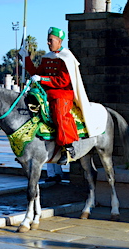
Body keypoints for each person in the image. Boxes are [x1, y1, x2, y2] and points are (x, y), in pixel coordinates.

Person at [19, 27, 92, 164]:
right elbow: (36, 72)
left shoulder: (67, 58)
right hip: (47, 92)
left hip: (62, 93)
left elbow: (63, 81)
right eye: (47, 40)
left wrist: (43, 79)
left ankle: (68, 147)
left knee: (59, 114)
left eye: (50, 40)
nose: (48, 43)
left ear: (59, 41)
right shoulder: (47, 57)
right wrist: (26, 58)